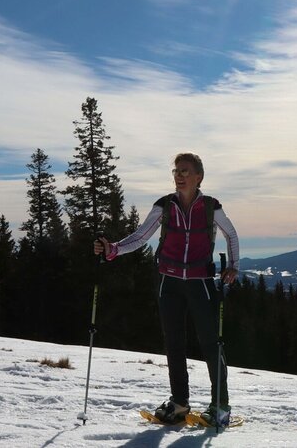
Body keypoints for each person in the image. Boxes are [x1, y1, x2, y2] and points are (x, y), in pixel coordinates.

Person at [94, 152, 239, 427]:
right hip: (167, 282)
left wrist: (233, 266)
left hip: (200, 282)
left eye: (185, 171)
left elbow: (230, 234)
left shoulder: (210, 207)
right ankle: (179, 402)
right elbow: (140, 236)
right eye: (176, 171)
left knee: (210, 343)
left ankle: (220, 405)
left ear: (199, 177)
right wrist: (112, 250)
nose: (179, 176)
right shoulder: (164, 206)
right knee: (174, 343)